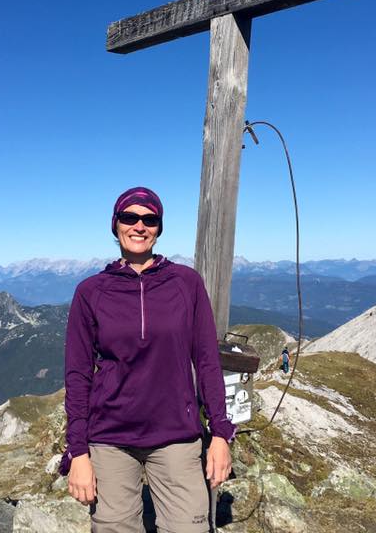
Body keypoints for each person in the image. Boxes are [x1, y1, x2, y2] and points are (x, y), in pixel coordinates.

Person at [60, 186, 236, 533]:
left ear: (159, 228)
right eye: (129, 217)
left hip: (176, 434)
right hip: (110, 436)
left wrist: (220, 434)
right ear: (116, 225)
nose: (139, 226)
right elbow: (78, 375)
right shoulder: (91, 292)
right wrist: (78, 452)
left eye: (150, 219)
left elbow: (207, 361)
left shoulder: (186, 283)